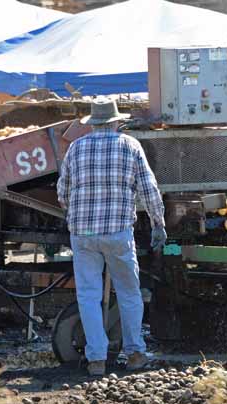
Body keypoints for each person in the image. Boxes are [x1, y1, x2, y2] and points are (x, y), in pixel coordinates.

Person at [57, 99, 166, 376]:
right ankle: (135, 354)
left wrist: (78, 217)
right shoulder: (130, 146)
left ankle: (96, 359)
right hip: (117, 233)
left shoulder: (75, 148)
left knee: (89, 296)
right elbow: (149, 190)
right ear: (117, 122)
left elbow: (62, 193)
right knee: (129, 293)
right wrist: (158, 224)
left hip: (83, 234)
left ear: (93, 124)